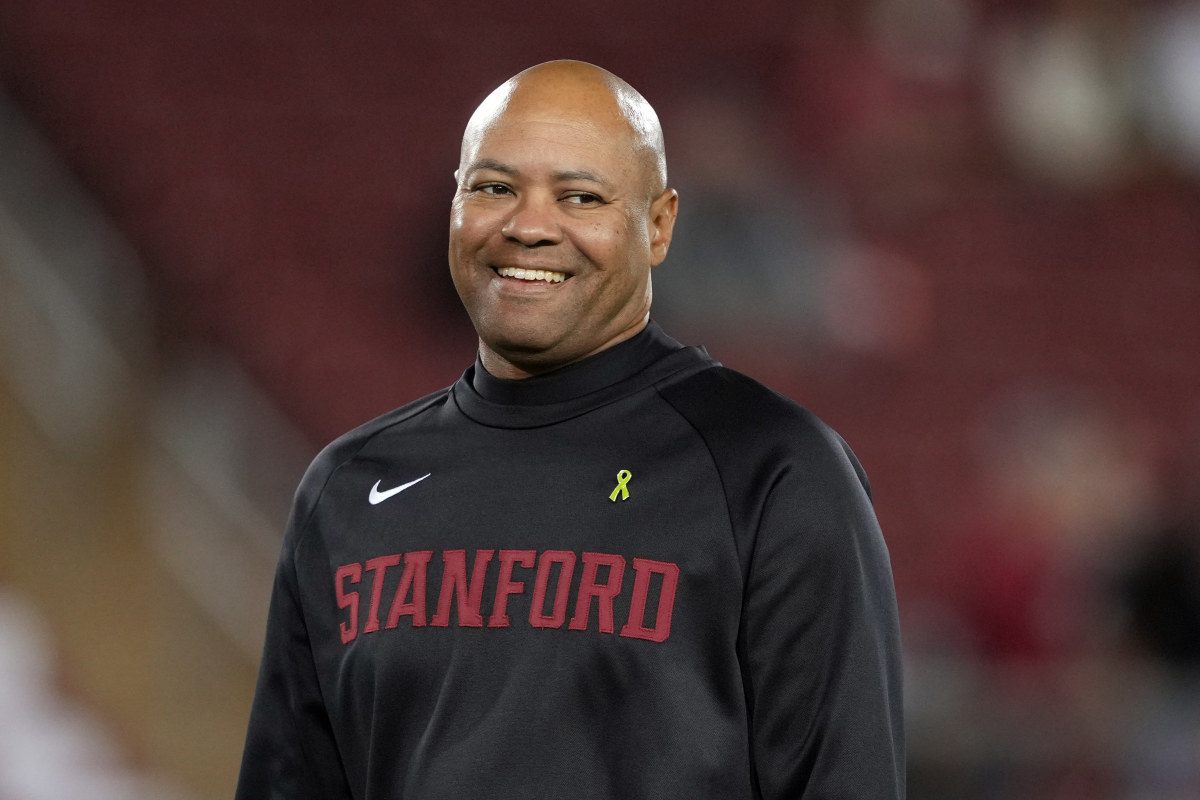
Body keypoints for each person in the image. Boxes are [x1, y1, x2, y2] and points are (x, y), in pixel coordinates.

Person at [236, 60, 904, 799]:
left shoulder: (772, 472)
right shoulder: (346, 487)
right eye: (493, 189)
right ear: (454, 206)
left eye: (580, 197)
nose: (528, 227)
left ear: (658, 226)